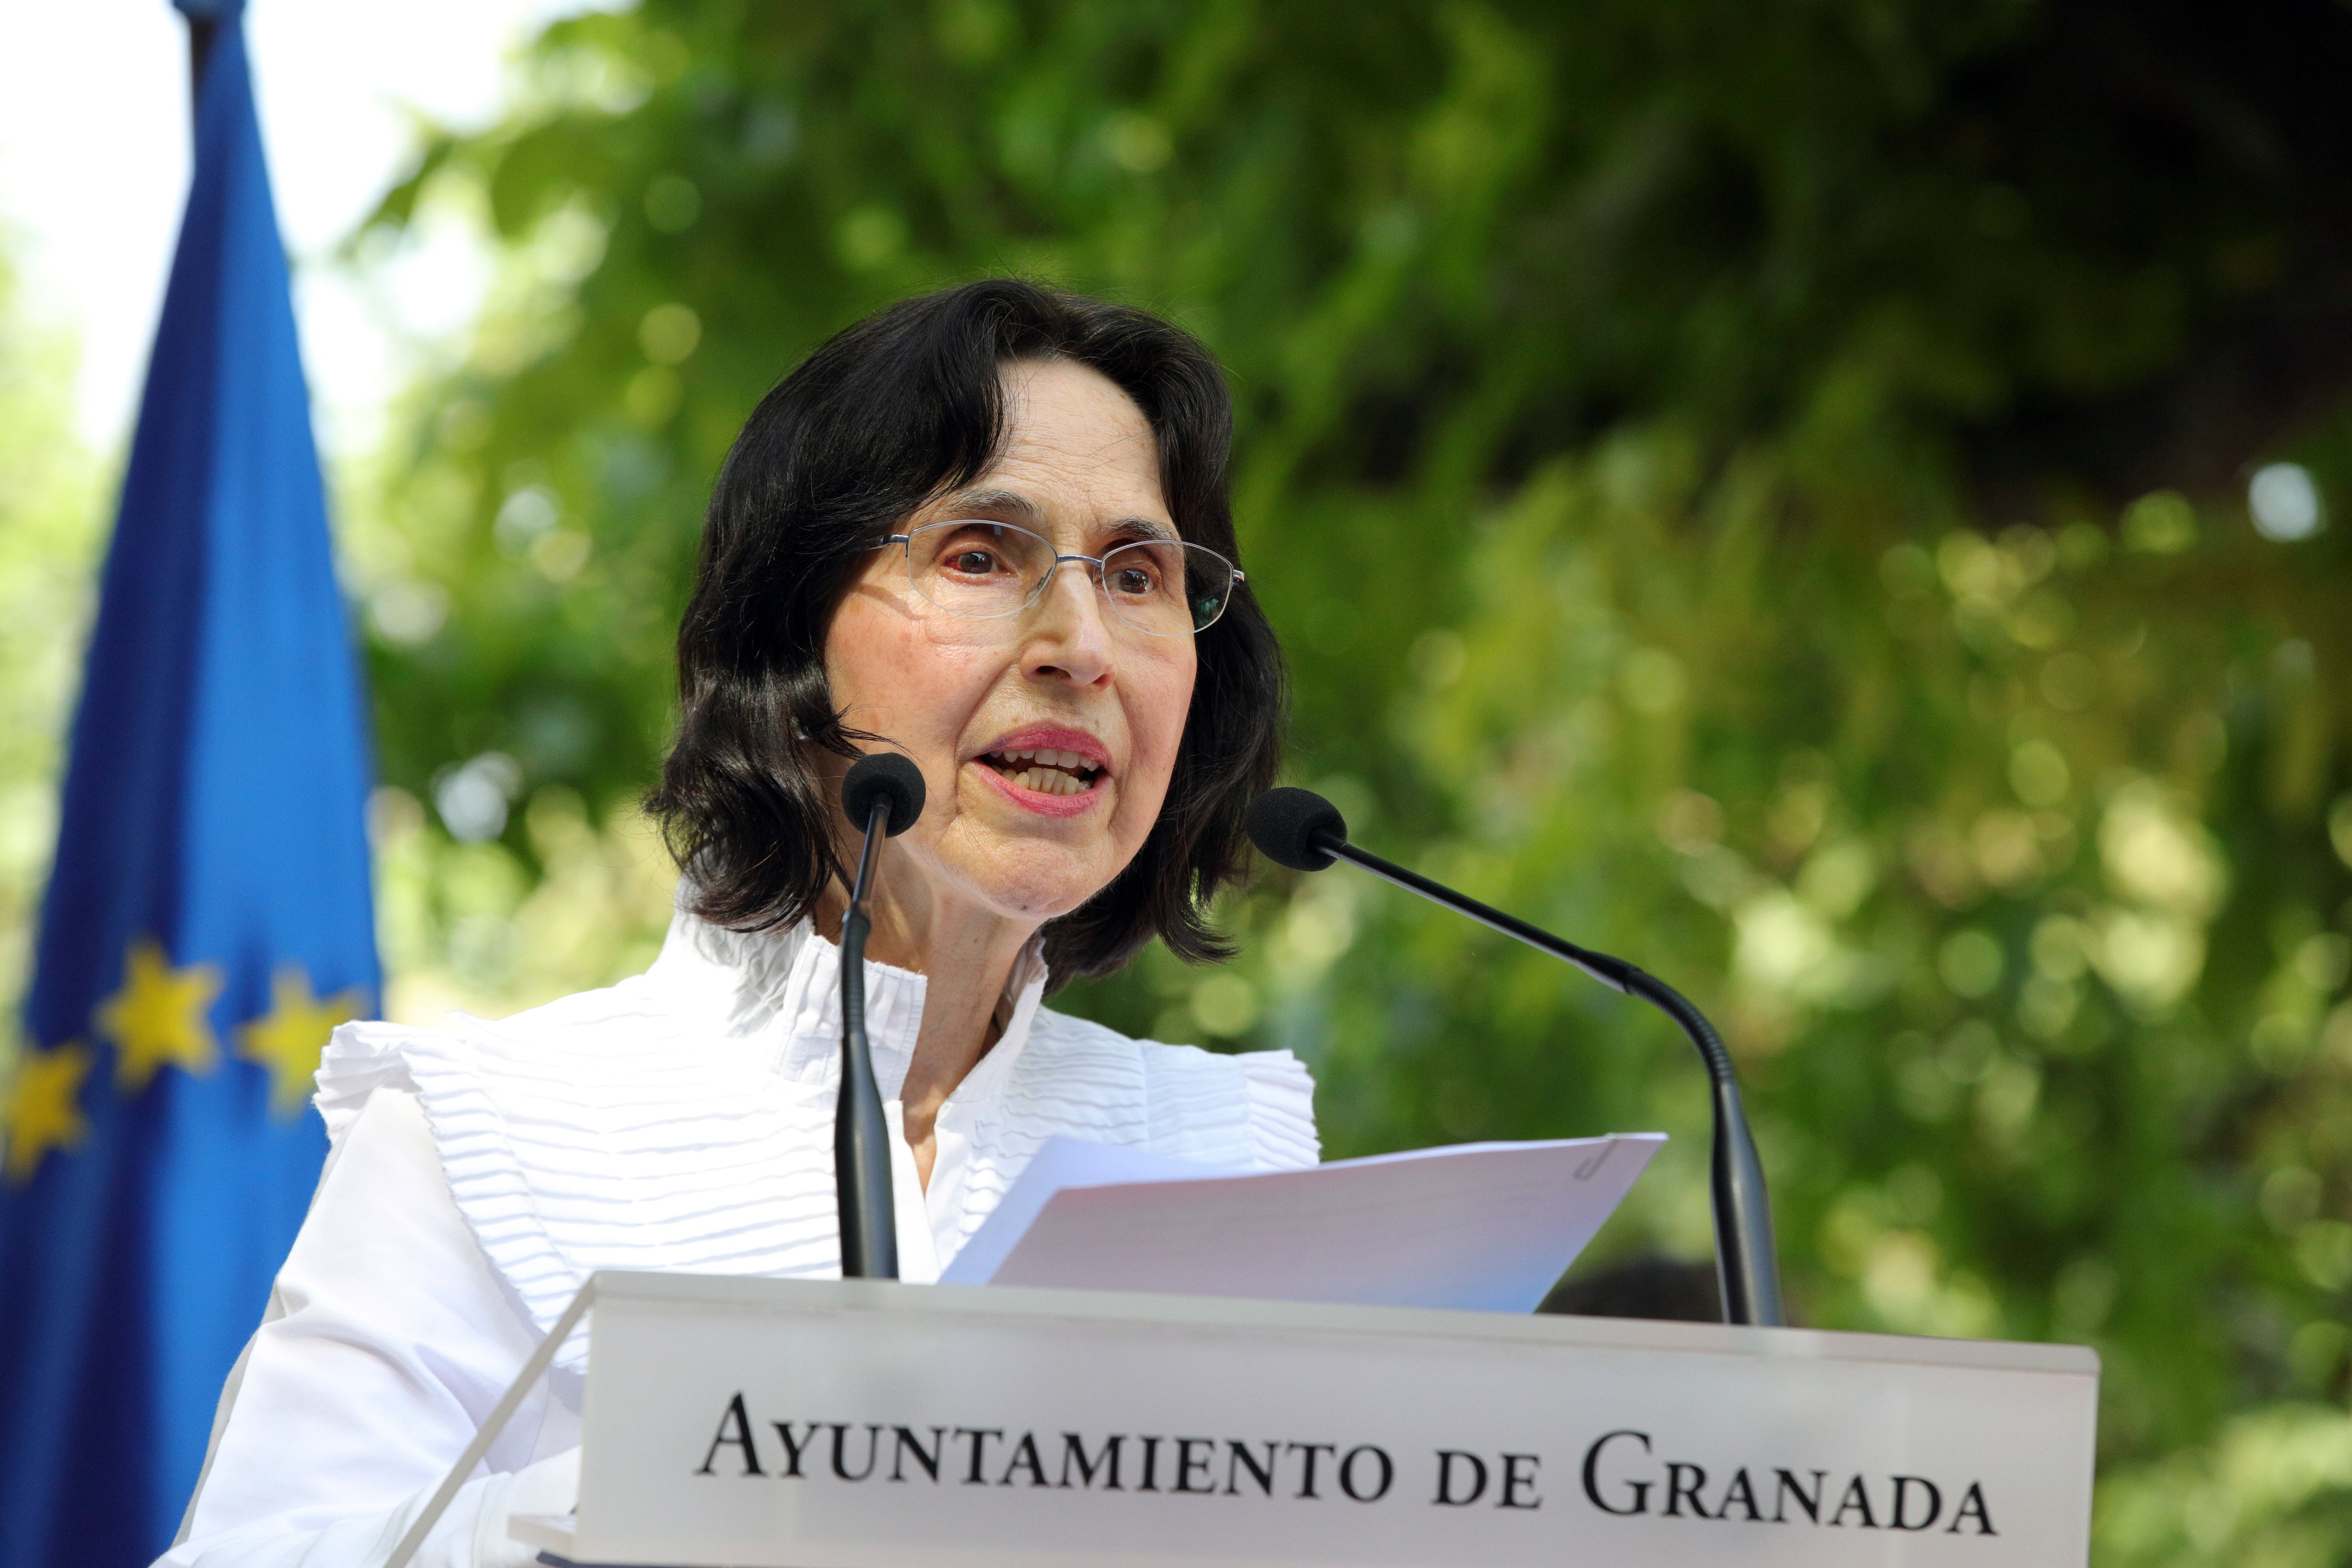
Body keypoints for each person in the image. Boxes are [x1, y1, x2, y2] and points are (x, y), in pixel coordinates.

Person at [159, 280, 1318, 1568]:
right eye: (982, 555)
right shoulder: (496, 1124)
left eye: (1141, 574)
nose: (1083, 646)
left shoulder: (1229, 1158)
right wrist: (647, 1497)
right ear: (791, 645)